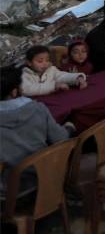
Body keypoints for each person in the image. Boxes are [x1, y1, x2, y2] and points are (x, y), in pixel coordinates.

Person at [0, 66, 69, 197]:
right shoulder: (38, 109)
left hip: (11, 189)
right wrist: (69, 127)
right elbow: (61, 138)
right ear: (15, 92)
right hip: (47, 177)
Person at [20, 45, 86, 96]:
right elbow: (26, 89)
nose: (45, 63)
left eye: (47, 60)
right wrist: (53, 86)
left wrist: (77, 78)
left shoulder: (51, 70)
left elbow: (62, 76)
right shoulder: (24, 75)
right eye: (40, 61)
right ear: (29, 63)